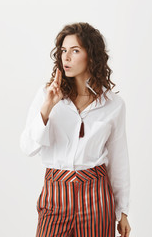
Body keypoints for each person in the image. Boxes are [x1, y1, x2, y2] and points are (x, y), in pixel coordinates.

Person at [19, 22, 131, 237]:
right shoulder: (47, 95)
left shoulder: (113, 105)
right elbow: (28, 147)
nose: (66, 57)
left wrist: (122, 210)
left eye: (75, 50)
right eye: (63, 51)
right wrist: (48, 107)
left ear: (92, 55)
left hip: (96, 196)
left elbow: (119, 160)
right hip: (55, 195)